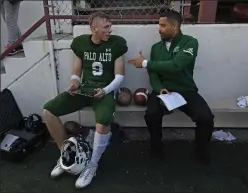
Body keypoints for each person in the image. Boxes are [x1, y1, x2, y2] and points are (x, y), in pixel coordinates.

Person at [43, 12, 128, 188]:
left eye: (110, 27)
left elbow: (120, 76)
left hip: (105, 91)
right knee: (48, 111)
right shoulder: (81, 43)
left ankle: (92, 164)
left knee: (103, 121)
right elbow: (76, 73)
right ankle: (66, 154)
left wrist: (105, 90)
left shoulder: (117, 44)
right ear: (94, 28)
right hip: (84, 90)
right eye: (106, 27)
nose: (110, 30)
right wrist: (73, 84)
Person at [128, 10, 214, 165]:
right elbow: (153, 73)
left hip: (186, 90)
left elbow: (177, 65)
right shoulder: (156, 48)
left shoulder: (190, 42)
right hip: (164, 91)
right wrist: (159, 87)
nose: (159, 28)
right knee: (151, 114)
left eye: (163, 25)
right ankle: (156, 147)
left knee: (206, 118)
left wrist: (145, 63)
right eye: (159, 25)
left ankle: (201, 151)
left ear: (175, 27)